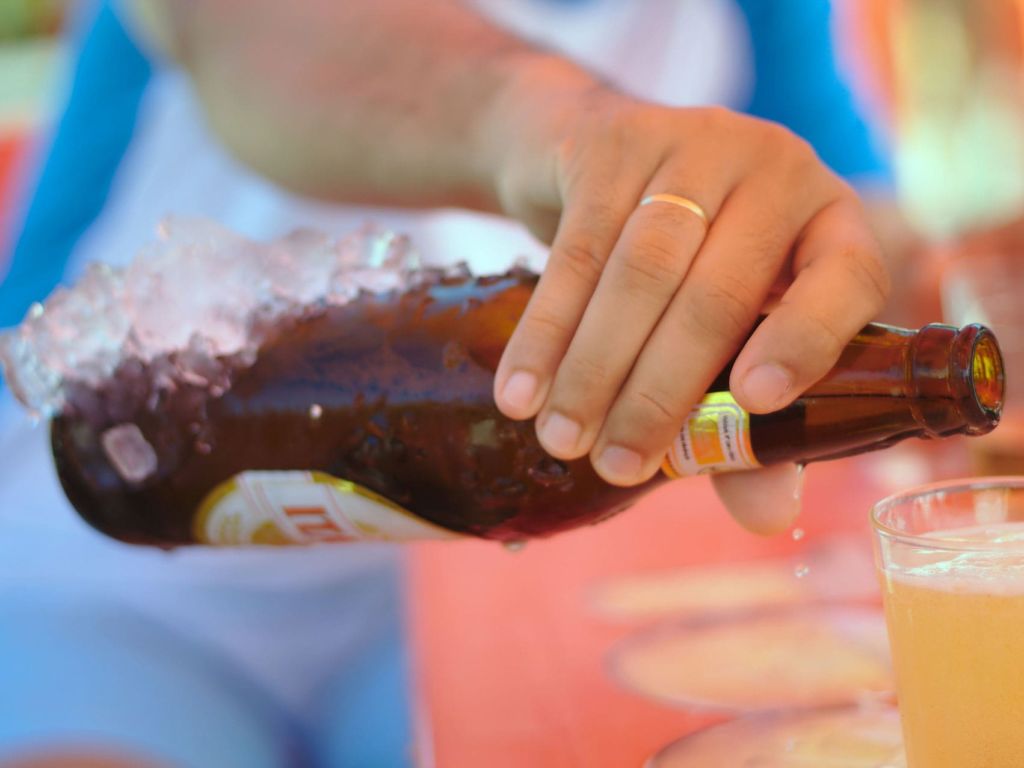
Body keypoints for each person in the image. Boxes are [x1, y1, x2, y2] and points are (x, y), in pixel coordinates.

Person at [0, 1, 892, 765]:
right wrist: (563, 128)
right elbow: (255, 36)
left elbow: (858, 213)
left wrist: (859, 275)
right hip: (106, 542)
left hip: (452, 570)